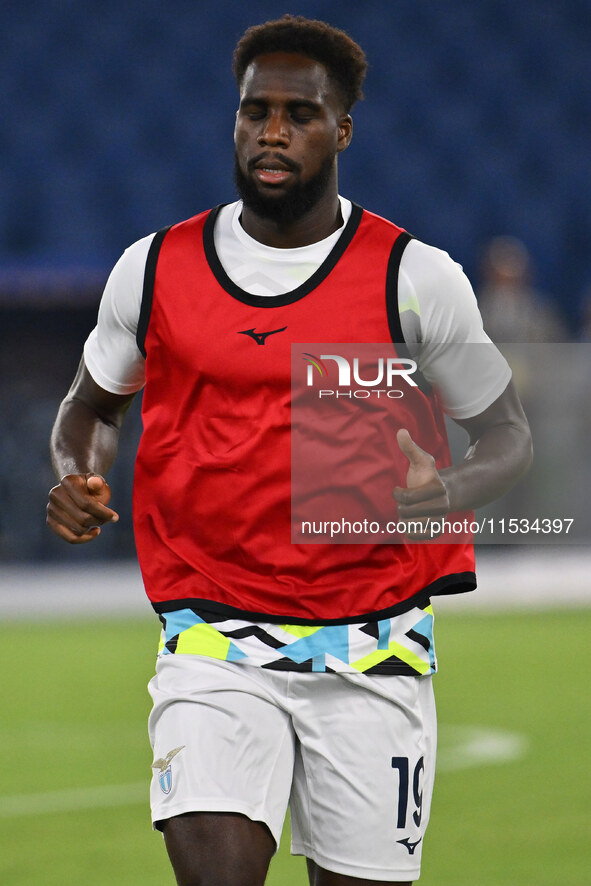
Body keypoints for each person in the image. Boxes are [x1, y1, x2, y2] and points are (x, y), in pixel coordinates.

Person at [47, 15, 532, 886]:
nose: (271, 132)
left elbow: (507, 436)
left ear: (341, 129)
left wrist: (448, 488)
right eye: (253, 111)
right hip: (213, 639)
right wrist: (76, 473)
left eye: (298, 114)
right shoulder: (154, 267)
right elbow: (90, 407)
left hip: (374, 647)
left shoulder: (412, 277)